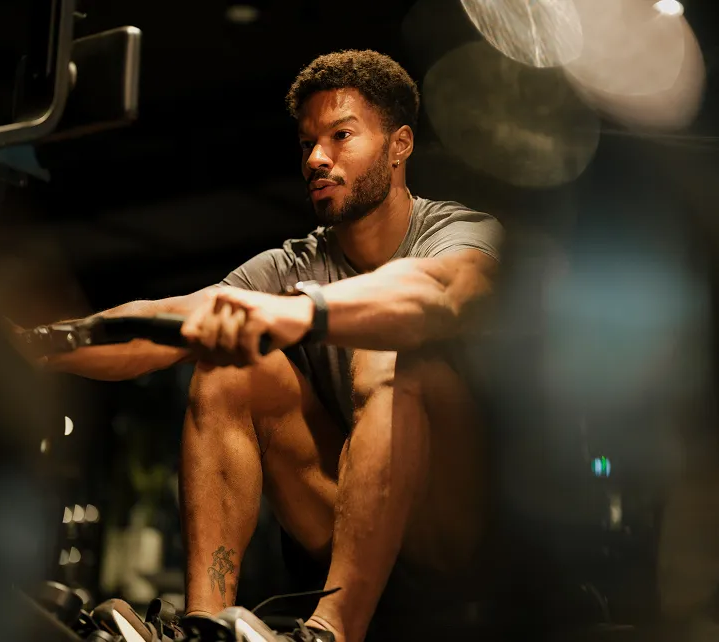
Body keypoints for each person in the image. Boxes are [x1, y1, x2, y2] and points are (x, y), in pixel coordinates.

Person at [44, 50, 510, 642]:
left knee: (386, 349)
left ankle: (331, 633)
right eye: (308, 142)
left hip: (457, 547)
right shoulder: (299, 260)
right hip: (348, 536)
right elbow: (167, 320)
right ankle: (204, 626)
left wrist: (304, 312)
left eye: (341, 136)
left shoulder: (460, 232)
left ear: (400, 146)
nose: (317, 159)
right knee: (227, 367)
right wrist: (39, 344)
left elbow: (438, 291)